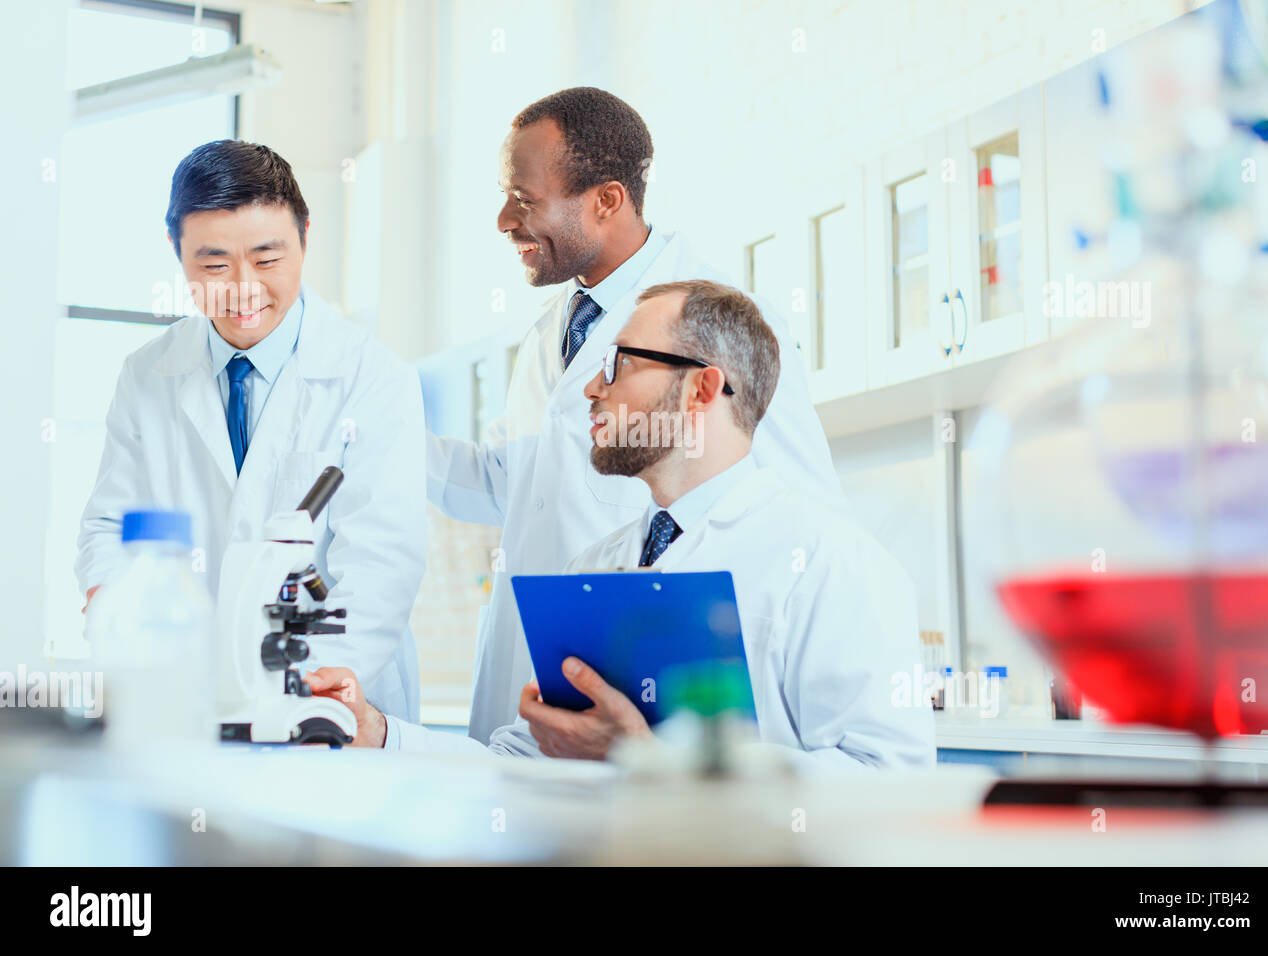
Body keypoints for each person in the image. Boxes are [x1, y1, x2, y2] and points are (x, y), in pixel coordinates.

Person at [309, 280, 936, 770]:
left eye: (618, 365)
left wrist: (653, 758)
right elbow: (522, 762)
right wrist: (380, 732)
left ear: (700, 389)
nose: (591, 390)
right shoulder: (595, 567)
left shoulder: (830, 561)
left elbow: (886, 777)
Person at [428, 87, 843, 742]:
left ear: (607, 201)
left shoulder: (721, 323)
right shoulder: (549, 331)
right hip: (531, 683)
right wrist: (383, 438)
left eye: (525, 200)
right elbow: (511, 486)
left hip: (641, 686)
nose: (504, 220)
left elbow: (809, 514)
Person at [76, 140, 426, 722]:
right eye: (214, 265)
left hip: (333, 699)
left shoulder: (374, 377)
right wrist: (122, 625)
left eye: (267, 260)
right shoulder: (146, 375)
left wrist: (295, 694)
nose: (242, 288)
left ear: (305, 237)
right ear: (176, 250)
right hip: (182, 694)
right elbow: (110, 526)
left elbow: (382, 562)